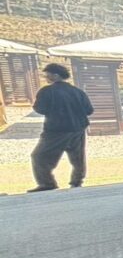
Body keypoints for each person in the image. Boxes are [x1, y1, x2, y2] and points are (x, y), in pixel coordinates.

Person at [28, 63, 93, 192]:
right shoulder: (78, 92)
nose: (46, 77)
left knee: (39, 156)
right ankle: (77, 181)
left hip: (56, 129)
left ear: (56, 75)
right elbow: (89, 110)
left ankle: (47, 183)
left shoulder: (47, 91)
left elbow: (39, 108)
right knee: (77, 157)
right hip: (78, 128)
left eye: (48, 75)